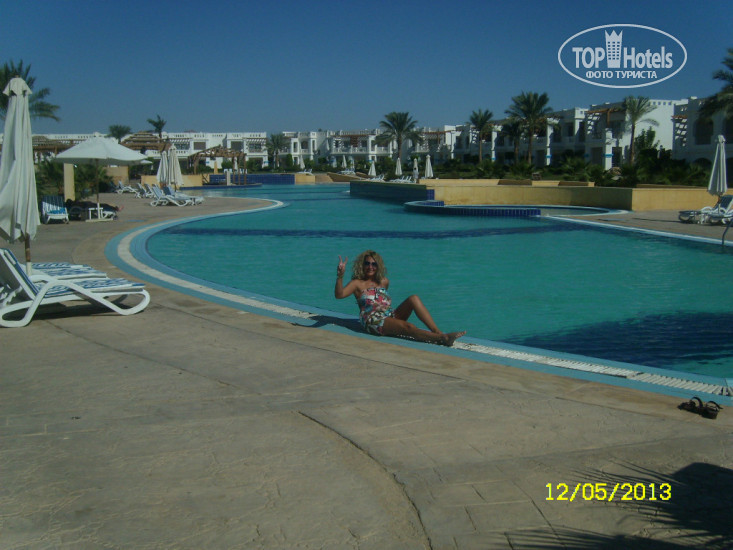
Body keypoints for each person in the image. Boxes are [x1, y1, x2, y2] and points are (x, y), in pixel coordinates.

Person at [335, 250, 465, 346]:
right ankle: (442, 339)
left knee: (413, 298)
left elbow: (383, 304)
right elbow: (339, 295)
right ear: (362, 265)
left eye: (374, 264)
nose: (370, 267)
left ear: (378, 266)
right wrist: (340, 276)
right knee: (407, 327)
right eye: (367, 263)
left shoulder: (384, 281)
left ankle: (437, 331)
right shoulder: (357, 284)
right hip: (374, 321)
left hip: (389, 316)